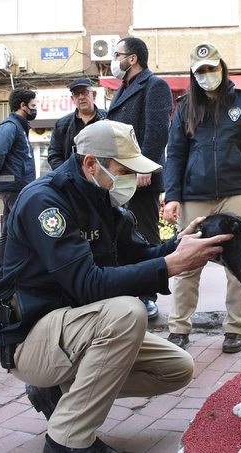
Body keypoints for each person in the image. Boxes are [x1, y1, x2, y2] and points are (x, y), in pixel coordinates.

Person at [0, 119, 231, 453]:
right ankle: (67, 441)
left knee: (175, 368)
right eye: (124, 170)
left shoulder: (103, 201)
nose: (131, 179)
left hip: (76, 329)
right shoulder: (45, 201)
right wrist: (170, 266)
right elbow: (88, 285)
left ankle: (58, 393)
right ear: (90, 163)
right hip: (32, 338)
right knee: (127, 313)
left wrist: (178, 246)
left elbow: (139, 256)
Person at [162, 42, 241, 353]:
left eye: (211, 68)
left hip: (239, 192)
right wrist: (172, 196)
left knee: (239, 267)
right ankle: (179, 328)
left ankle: (235, 328)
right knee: (187, 264)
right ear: (192, 74)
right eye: (199, 70)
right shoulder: (185, 107)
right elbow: (174, 154)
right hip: (194, 195)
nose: (206, 75)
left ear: (222, 67)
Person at [106, 37, 173, 321]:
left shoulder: (154, 85)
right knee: (120, 235)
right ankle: (126, 291)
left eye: (117, 54)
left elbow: (158, 130)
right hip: (118, 176)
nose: (114, 60)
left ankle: (148, 295)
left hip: (140, 177)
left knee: (145, 234)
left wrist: (145, 168)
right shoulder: (123, 88)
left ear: (132, 58)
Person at [0, 88, 37, 280]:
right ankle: (13, 275)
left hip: (18, 186)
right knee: (25, 228)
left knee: (9, 232)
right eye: (33, 105)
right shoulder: (10, 126)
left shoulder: (19, 127)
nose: (35, 109)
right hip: (13, 186)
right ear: (22, 106)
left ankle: (5, 275)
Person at [47, 77, 107, 170]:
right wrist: (66, 175)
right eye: (76, 94)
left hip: (103, 178)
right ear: (72, 99)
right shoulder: (62, 125)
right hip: (73, 180)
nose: (81, 97)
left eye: (85, 92)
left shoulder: (108, 119)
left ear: (94, 95)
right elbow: (54, 155)